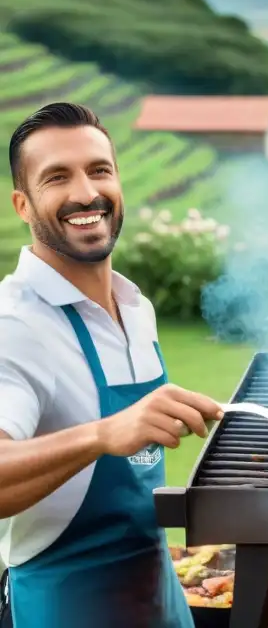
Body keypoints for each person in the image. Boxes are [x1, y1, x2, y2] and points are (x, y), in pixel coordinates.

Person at [0, 103, 224, 628]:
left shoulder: (135, 306)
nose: (85, 193)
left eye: (99, 170)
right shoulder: (15, 324)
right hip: (66, 607)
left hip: (158, 600)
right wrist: (104, 433)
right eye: (57, 177)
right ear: (23, 204)